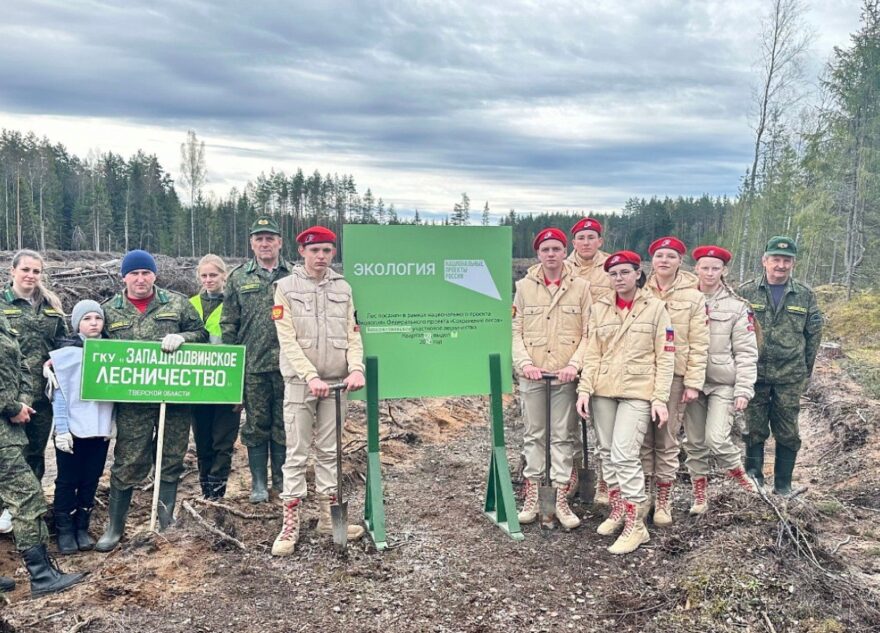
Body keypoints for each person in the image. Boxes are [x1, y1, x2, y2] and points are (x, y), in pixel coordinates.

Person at [95, 250, 208, 552]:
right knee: (128, 461)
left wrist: (184, 337)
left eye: (146, 273)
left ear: (154, 275)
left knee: (171, 457)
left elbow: (202, 333)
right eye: (134, 274)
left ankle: (165, 521)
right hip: (132, 402)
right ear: (124, 277)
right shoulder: (110, 310)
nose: (140, 279)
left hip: (173, 398)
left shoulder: (177, 303)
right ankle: (115, 527)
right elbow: (92, 345)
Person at [271, 226, 365, 556]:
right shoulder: (284, 288)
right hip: (301, 383)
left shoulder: (343, 287)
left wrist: (356, 368)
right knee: (296, 452)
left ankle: (329, 518)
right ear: (302, 252)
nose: (321, 257)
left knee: (330, 451)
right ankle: (290, 523)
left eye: (327, 251)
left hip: (337, 382)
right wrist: (310, 376)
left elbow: (353, 333)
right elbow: (287, 339)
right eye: (315, 251)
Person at [576, 250, 674, 555]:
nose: (619, 279)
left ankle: (636, 527)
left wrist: (659, 397)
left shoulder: (656, 308)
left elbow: (665, 355)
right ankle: (619, 511)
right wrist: (584, 389)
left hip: (637, 391)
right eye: (614, 274)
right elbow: (592, 353)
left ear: (637, 274)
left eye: (625, 272)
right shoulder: (600, 308)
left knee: (624, 453)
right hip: (603, 389)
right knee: (606, 452)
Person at [0, 310, 84, 595]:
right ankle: (42, 576)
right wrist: (11, 407)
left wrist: (21, 403)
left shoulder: (3, 320)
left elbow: (22, 366)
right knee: (27, 499)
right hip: (2, 432)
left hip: (9, 426)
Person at [513, 228, 590, 531]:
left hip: (564, 377)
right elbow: (515, 330)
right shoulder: (523, 287)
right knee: (534, 434)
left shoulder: (580, 287)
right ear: (538, 254)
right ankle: (532, 495)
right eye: (545, 250)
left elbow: (588, 332)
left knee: (561, 436)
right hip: (533, 375)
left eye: (556, 249)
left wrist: (574, 364)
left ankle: (559, 498)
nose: (551, 255)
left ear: (564, 252)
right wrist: (525, 363)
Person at [739, 236, 822, 495]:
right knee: (754, 429)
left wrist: (805, 373)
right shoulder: (746, 292)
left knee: (787, 431)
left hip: (789, 375)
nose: (781, 265)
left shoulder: (805, 295)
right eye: (776, 259)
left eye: (786, 260)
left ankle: (783, 485)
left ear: (793, 264)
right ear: (765, 261)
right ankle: (754, 479)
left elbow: (813, 337)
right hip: (755, 373)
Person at [682, 246, 759, 514]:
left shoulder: (737, 307)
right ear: (696, 269)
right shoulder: (685, 299)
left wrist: (744, 389)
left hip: (723, 382)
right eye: (705, 267)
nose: (710, 273)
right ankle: (699, 495)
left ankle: (742, 481)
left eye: (716, 268)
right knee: (694, 442)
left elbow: (747, 352)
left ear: (724, 271)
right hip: (691, 382)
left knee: (716, 438)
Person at [221, 216, 292, 503]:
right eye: (259, 238)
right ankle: (259, 484)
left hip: (288, 364)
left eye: (270, 238)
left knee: (285, 423)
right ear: (252, 243)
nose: (265, 243)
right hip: (252, 366)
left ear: (279, 242)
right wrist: (231, 367)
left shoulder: (294, 275)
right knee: (256, 425)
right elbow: (229, 324)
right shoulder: (238, 277)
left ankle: (283, 480)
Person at [642, 237, 709, 526]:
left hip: (675, 377)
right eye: (659, 255)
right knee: (642, 438)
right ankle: (643, 496)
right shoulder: (640, 290)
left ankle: (663, 501)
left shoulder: (693, 296)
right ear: (652, 261)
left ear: (680, 261)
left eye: (671, 256)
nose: (664, 260)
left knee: (667, 438)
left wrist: (693, 382)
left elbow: (699, 342)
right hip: (641, 375)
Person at [47, 300, 115, 554]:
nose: (94, 323)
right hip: (72, 430)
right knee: (67, 480)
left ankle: (81, 527)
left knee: (90, 479)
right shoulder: (64, 355)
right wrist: (62, 429)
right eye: (87, 319)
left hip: (100, 429)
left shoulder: (112, 352)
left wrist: (114, 423)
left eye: (97, 318)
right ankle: (64, 530)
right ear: (77, 324)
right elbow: (60, 394)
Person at [0, 250, 68, 481]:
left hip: (43, 396)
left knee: (35, 454)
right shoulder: (2, 304)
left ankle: (31, 511)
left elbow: (63, 344)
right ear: (13, 271)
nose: (31, 275)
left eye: (36, 271)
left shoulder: (51, 306)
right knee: (10, 457)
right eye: (25, 270)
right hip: (10, 396)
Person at [565, 217, 612, 504]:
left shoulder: (611, 268)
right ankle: (572, 473)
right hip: (568, 353)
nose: (586, 242)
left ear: (600, 241)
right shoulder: (561, 266)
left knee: (603, 422)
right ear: (573, 242)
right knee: (567, 422)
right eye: (581, 238)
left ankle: (607, 480)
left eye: (591, 237)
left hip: (603, 352)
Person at [190, 255, 240, 499]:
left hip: (226, 383)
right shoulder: (190, 305)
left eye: (214, 275)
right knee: (202, 441)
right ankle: (204, 490)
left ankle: (218, 493)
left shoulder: (234, 302)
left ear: (224, 276)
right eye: (204, 276)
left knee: (223, 441)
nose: (209, 280)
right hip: (197, 385)